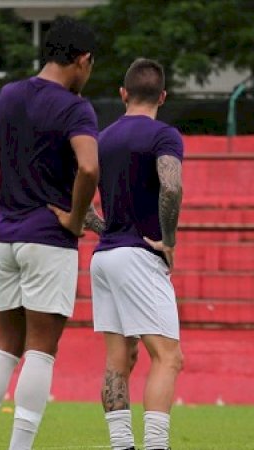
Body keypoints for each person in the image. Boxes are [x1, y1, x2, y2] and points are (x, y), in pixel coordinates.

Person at [0, 16, 99, 450]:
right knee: (41, 350)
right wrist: (77, 219)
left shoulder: (8, 95)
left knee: (6, 345)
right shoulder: (77, 107)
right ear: (82, 60)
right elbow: (90, 165)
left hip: (5, 235)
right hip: (48, 238)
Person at [91, 58, 184, 450]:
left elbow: (81, 205)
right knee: (168, 357)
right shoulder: (164, 135)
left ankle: (121, 445)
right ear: (163, 96)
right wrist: (168, 241)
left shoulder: (103, 138)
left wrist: (103, 229)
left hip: (105, 257)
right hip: (139, 256)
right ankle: (156, 447)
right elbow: (171, 187)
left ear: (123, 94)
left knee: (119, 361)